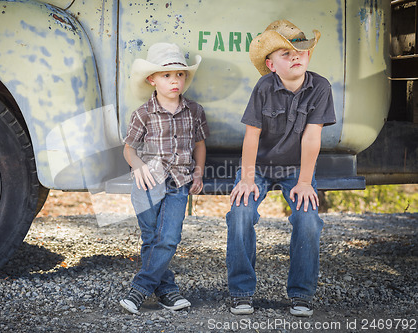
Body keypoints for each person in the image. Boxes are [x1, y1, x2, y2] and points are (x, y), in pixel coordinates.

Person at [226, 20, 336, 317]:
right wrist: (247, 178)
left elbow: (313, 137)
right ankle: (241, 291)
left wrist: (305, 182)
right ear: (271, 64)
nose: (295, 56)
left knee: (308, 219)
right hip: (259, 167)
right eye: (285, 54)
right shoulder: (264, 87)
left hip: (296, 169)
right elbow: (252, 135)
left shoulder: (320, 87)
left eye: (300, 50)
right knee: (240, 212)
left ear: (309, 56)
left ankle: (301, 294)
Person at [119, 42, 210, 314]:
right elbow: (129, 148)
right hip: (148, 182)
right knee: (151, 237)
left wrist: (199, 172)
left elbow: (200, 144)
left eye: (180, 75)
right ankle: (167, 291)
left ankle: (139, 290)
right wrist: (137, 167)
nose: (175, 81)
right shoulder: (143, 114)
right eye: (167, 75)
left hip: (180, 181)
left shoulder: (194, 111)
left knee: (168, 237)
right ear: (152, 80)